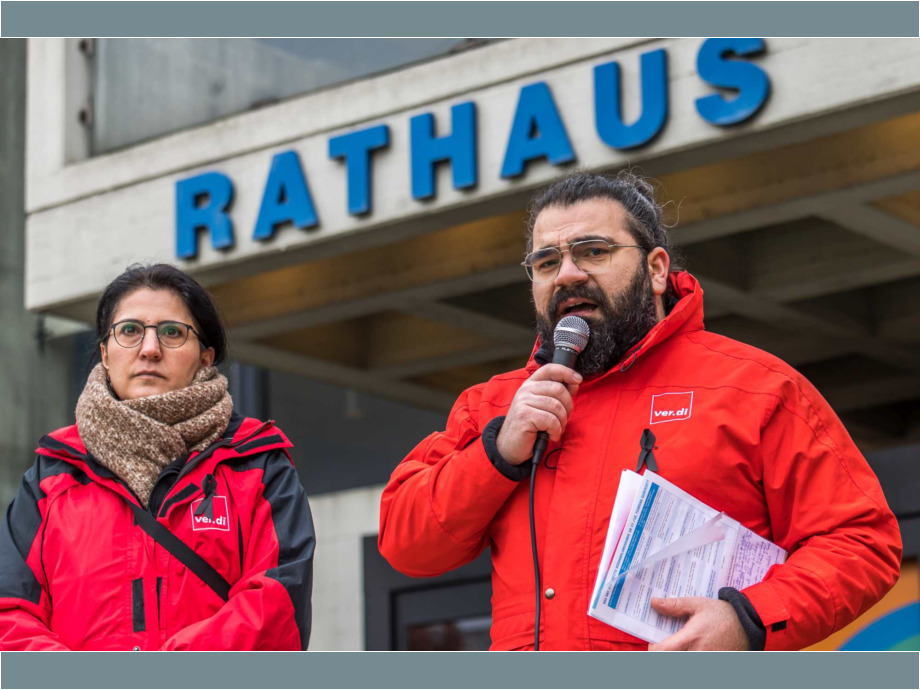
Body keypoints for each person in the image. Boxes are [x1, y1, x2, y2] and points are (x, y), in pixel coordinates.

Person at [378, 172, 902, 651]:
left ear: (656, 269)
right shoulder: (494, 406)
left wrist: (748, 620)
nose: (567, 275)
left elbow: (862, 542)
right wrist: (495, 453)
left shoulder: (756, 388)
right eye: (546, 262)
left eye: (594, 251)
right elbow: (406, 545)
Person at [0, 264, 315, 650]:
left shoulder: (258, 465)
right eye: (130, 330)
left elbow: (279, 605)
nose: (149, 349)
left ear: (205, 357)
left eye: (172, 332)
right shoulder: (51, 477)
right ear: (105, 353)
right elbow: (9, 615)